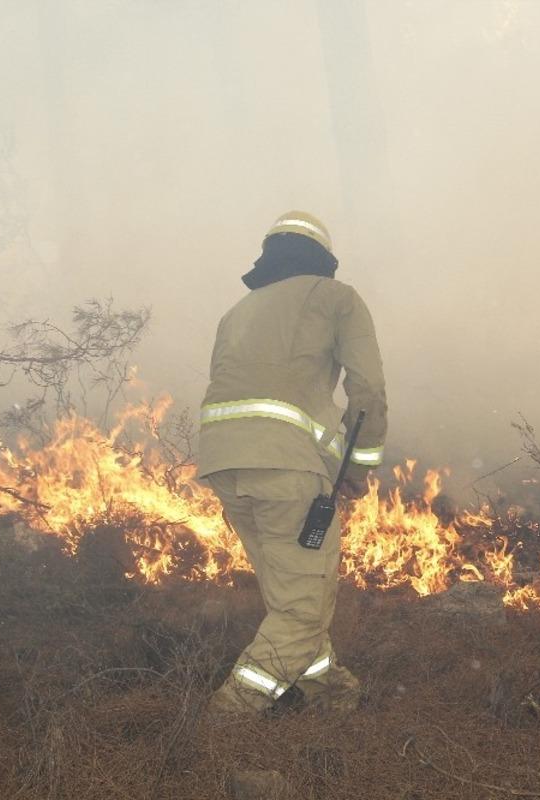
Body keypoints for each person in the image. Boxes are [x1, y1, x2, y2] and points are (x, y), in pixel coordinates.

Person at [197, 210, 387, 716]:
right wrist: (358, 467)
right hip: (288, 470)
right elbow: (366, 390)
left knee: (291, 597)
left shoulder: (237, 312)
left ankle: (332, 692)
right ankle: (229, 716)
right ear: (323, 258)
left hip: (225, 467)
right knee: (302, 612)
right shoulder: (336, 298)